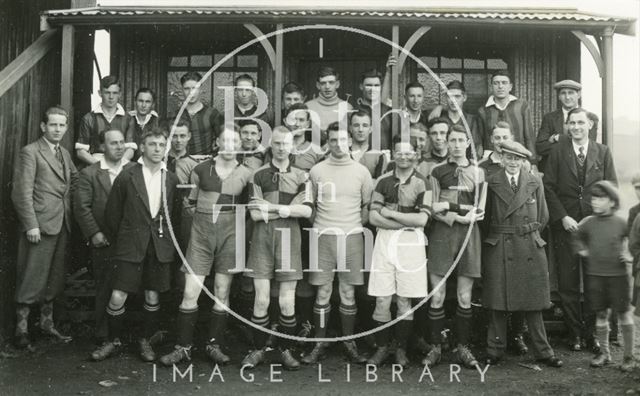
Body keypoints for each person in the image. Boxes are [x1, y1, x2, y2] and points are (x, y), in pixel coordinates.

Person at [159, 129, 252, 366]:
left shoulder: (246, 174)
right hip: (202, 236)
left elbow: (248, 210)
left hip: (230, 236)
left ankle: (214, 344)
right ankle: (183, 347)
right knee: (191, 292)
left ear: (240, 144)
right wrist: (201, 230)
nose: (229, 145)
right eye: (225, 140)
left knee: (222, 292)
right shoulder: (200, 170)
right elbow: (189, 204)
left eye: (234, 141)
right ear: (216, 142)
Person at [90, 128, 181, 362]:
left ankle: (146, 340)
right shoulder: (128, 175)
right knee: (118, 295)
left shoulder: (171, 178)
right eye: (152, 144)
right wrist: (128, 237)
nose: (157, 149)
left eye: (162, 145)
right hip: (130, 245)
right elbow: (112, 214)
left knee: (152, 296)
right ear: (142, 147)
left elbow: (175, 216)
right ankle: (113, 340)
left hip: (158, 247)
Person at [482, 140, 562, 368]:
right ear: (502, 158)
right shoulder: (491, 182)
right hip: (500, 246)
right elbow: (485, 220)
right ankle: (494, 350)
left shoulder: (535, 182)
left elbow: (543, 216)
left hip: (529, 245)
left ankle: (544, 352)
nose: (513, 162)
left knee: (534, 304)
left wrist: (528, 232)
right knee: (498, 303)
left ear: (523, 161)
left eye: (517, 158)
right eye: (508, 157)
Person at [543, 107, 617, 352]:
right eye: (571, 123)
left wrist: (597, 219)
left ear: (590, 125)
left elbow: (611, 188)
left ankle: (591, 335)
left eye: (580, 123)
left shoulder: (602, 152)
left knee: (595, 282)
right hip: (566, 228)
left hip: (594, 229)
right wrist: (562, 216)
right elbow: (549, 187)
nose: (575, 127)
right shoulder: (557, 152)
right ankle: (574, 334)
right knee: (568, 283)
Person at [240, 127, 313, 370]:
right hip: (262, 238)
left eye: (286, 143)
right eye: (278, 143)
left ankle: (285, 350)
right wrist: (289, 208)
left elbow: (307, 211)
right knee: (261, 300)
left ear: (293, 146)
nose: (282, 148)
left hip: (289, 239)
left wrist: (274, 208)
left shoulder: (303, 176)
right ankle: (258, 350)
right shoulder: (257, 174)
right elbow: (254, 214)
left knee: (286, 302)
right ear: (271, 145)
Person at [301, 122, 374, 364]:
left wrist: (352, 226)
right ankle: (319, 343)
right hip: (324, 236)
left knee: (347, 291)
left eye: (343, 140)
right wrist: (323, 225)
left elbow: (367, 207)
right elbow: (309, 207)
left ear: (351, 141)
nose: (338, 144)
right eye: (333, 140)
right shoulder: (317, 170)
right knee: (322, 291)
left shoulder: (361, 172)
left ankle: (348, 342)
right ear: (328, 142)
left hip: (351, 236)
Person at [11, 106, 77, 347]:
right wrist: (31, 224)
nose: (58, 129)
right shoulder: (30, 153)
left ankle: (46, 326)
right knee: (31, 277)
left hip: (62, 224)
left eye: (62, 125)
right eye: (53, 125)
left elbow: (75, 180)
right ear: (43, 126)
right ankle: (21, 333)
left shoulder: (65, 154)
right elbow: (21, 193)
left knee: (53, 279)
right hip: (39, 226)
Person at [367, 136, 432, 367]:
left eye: (408, 152)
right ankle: (383, 348)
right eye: (399, 152)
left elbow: (422, 219)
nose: (403, 156)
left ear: (415, 154)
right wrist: (406, 222)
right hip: (385, 242)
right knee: (383, 300)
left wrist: (391, 214)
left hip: (411, 244)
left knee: (404, 299)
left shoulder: (424, 182)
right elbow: (373, 216)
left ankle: (401, 350)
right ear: (393, 154)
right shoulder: (383, 181)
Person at [423, 124, 485, 369]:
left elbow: (480, 208)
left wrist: (467, 215)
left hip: (469, 236)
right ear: (447, 143)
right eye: (453, 140)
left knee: (464, 295)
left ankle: (462, 347)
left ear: (468, 143)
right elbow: (433, 208)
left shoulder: (479, 173)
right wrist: (457, 215)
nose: (457, 144)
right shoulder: (437, 172)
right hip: (442, 234)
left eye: (461, 140)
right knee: (437, 294)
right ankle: (436, 347)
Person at [74, 129, 132, 343]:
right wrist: (94, 233)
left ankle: (128, 334)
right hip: (104, 240)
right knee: (105, 285)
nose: (119, 147)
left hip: (131, 240)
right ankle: (104, 334)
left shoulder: (135, 170)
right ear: (102, 147)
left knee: (130, 285)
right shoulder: (89, 173)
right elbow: (82, 207)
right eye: (113, 143)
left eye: (122, 142)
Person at [574, 181, 636, 372]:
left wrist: (629, 253)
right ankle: (604, 354)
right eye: (593, 198)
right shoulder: (588, 223)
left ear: (612, 202)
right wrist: (582, 250)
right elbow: (576, 236)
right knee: (601, 314)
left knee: (624, 314)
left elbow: (634, 240)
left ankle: (628, 356)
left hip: (618, 277)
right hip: (595, 276)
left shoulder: (621, 222)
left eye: (601, 199)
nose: (595, 202)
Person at [536, 80, 597, 171]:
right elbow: (541, 147)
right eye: (563, 93)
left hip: (578, 170)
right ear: (559, 97)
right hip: (553, 171)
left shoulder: (590, 118)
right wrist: (570, 143)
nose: (567, 97)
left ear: (579, 95)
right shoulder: (549, 118)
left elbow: (587, 146)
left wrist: (559, 138)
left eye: (571, 93)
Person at [477, 70, 535, 163]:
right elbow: (479, 139)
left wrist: (533, 162)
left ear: (510, 86)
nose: (500, 86)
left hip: (517, 159)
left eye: (504, 83)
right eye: (496, 83)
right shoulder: (483, 111)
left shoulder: (522, 106)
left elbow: (529, 136)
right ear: (491, 86)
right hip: (492, 160)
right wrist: (479, 161)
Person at [76, 75, 131, 166]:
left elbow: (130, 149)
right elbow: (81, 151)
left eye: (115, 93)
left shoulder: (128, 119)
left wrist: (117, 165)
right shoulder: (89, 118)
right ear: (100, 93)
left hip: (120, 164)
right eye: (107, 92)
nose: (111, 97)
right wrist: (100, 166)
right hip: (95, 164)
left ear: (120, 94)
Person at [429, 80, 482, 158]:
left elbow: (477, 147)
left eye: (457, 96)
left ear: (464, 97)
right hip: (442, 163)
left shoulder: (472, 120)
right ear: (446, 98)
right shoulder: (439, 118)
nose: (453, 101)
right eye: (450, 97)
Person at [176, 71, 222, 155]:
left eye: (194, 88)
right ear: (182, 90)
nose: (191, 92)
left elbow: (222, 140)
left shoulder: (212, 114)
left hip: (204, 162)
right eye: (187, 89)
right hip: (181, 162)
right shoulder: (176, 115)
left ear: (201, 89)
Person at [305, 67, 353, 136]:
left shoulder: (347, 107)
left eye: (331, 83)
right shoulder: (308, 107)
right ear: (318, 85)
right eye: (323, 83)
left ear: (337, 84)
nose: (327, 86)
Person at [354, 69, 393, 150]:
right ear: (361, 86)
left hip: (385, 159)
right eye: (369, 85)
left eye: (376, 85)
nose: (372, 89)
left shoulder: (389, 112)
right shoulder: (353, 112)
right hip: (360, 159)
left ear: (381, 87)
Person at [349, 109, 387, 179]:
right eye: (356, 125)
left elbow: (380, 185)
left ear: (370, 129)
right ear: (350, 128)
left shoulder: (378, 156)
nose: (360, 129)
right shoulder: (343, 153)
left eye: (365, 126)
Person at [126, 87, 160, 161]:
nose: (143, 105)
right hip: (130, 165)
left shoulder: (158, 122)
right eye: (140, 101)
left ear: (153, 104)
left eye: (147, 102)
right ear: (135, 101)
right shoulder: (127, 121)